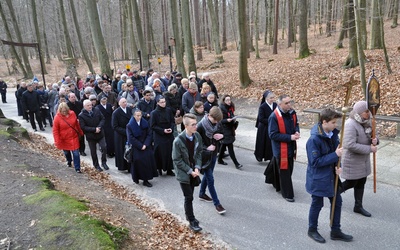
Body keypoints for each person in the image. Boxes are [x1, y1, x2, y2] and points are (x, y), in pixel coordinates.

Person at [306, 108, 353, 243]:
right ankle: (312, 229)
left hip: (332, 176)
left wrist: (339, 167)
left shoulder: (332, 135)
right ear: (324, 122)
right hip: (318, 178)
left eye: (336, 122)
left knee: (337, 202)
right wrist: (335, 155)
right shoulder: (314, 140)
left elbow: (336, 156)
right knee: (317, 204)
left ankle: (335, 230)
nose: (335, 125)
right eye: (333, 122)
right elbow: (315, 162)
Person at [341, 101, 378, 217]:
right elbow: (349, 144)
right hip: (353, 160)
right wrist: (369, 149)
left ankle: (358, 206)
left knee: (361, 181)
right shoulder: (350, 124)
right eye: (366, 112)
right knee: (351, 182)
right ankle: (334, 193)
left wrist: (375, 140)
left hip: (363, 160)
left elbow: (372, 136)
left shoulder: (367, 122)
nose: (369, 114)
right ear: (359, 112)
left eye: (368, 111)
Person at [172, 113, 203, 232]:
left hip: (193, 171)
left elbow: (199, 152)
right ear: (186, 126)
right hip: (184, 174)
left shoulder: (197, 136)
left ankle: (189, 215)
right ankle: (191, 220)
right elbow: (176, 160)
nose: (196, 126)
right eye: (193, 125)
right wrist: (190, 171)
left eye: (196, 124)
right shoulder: (178, 141)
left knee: (191, 196)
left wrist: (197, 167)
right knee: (188, 197)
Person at [268, 94, 300, 202]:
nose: (289, 105)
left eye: (290, 102)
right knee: (285, 171)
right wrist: (290, 137)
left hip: (291, 146)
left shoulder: (292, 113)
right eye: (286, 103)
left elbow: (296, 124)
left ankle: (275, 182)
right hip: (281, 149)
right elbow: (272, 135)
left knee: (288, 169)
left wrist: (296, 131)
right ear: (279, 104)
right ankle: (287, 194)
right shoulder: (274, 117)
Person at [196, 107, 226, 214]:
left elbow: (222, 132)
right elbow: (196, 143)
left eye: (218, 121)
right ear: (209, 116)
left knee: (208, 176)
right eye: (215, 120)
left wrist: (221, 136)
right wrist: (206, 148)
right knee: (210, 179)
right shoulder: (200, 126)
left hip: (214, 154)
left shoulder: (217, 122)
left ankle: (201, 194)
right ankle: (217, 204)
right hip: (205, 156)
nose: (217, 122)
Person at [127, 109, 158, 187]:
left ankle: (145, 179)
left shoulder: (145, 123)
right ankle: (136, 177)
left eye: (140, 115)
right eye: (137, 115)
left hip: (146, 145)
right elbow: (130, 138)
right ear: (134, 116)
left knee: (147, 161)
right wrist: (140, 146)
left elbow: (149, 134)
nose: (139, 117)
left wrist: (145, 144)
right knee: (137, 161)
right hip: (136, 147)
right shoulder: (130, 125)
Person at [78, 99, 109, 172]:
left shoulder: (97, 110)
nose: (90, 106)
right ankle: (96, 165)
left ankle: (104, 162)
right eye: (88, 105)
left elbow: (102, 119)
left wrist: (99, 127)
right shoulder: (81, 115)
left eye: (90, 105)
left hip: (100, 133)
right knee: (93, 151)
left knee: (104, 147)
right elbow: (83, 127)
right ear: (84, 106)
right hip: (91, 136)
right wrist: (94, 129)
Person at [53, 103, 84, 173]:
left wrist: (80, 132)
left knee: (76, 153)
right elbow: (55, 130)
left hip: (74, 137)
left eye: (65, 111)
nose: (64, 113)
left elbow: (76, 124)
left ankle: (77, 168)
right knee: (67, 152)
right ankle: (69, 161)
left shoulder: (72, 113)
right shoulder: (57, 118)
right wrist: (57, 141)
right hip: (64, 139)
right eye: (62, 111)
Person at [150, 96, 176, 176]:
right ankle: (159, 168)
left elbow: (172, 121)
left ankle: (169, 169)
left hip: (169, 134)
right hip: (159, 135)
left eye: (164, 102)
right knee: (159, 152)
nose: (163, 103)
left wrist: (171, 129)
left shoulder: (168, 110)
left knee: (169, 151)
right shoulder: (154, 113)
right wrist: (163, 131)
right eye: (161, 102)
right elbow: (153, 126)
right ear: (157, 103)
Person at [217, 95, 243, 169]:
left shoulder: (230, 107)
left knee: (224, 144)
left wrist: (233, 119)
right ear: (224, 101)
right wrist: (226, 120)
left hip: (229, 127)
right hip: (224, 128)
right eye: (227, 100)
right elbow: (219, 120)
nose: (229, 101)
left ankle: (219, 159)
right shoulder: (221, 108)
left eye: (229, 100)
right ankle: (236, 163)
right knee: (230, 145)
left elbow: (231, 115)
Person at [254, 91, 277, 162]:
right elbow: (261, 119)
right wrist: (272, 121)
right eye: (271, 98)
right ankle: (260, 156)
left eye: (273, 98)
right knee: (263, 143)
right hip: (264, 128)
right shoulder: (263, 106)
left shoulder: (275, 105)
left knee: (270, 143)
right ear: (266, 99)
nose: (272, 99)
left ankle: (270, 157)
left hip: (272, 127)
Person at [112, 98, 132, 171]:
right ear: (119, 103)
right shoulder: (116, 113)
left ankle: (130, 166)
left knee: (129, 150)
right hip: (120, 135)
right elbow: (115, 126)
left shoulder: (129, 110)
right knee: (121, 150)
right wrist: (125, 131)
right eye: (123, 102)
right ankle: (123, 166)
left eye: (126, 102)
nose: (125, 103)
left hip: (129, 133)